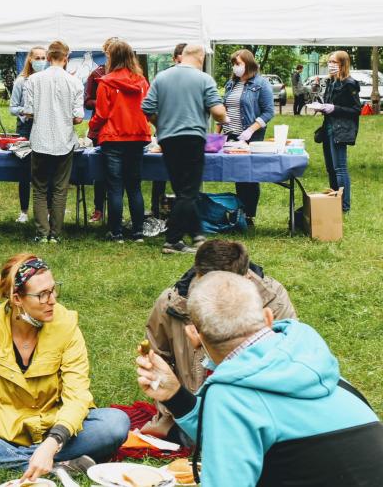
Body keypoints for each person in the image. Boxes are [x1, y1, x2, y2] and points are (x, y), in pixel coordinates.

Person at [137, 271, 383, 486]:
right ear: (267, 318)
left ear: (195, 336)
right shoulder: (319, 368)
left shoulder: (230, 397)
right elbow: (247, 429)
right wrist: (175, 396)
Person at [0, 254, 130, 480]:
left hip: (57, 427)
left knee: (115, 423)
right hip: (5, 429)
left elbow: (78, 397)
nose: (52, 300)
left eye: (53, 290)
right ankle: (57, 467)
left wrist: (53, 442)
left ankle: (22, 460)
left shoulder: (67, 326)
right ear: (17, 299)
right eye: (42, 295)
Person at [141, 239, 297, 443]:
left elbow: (286, 363)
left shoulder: (272, 299)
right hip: (190, 404)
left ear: (246, 276)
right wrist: (173, 403)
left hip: (254, 406)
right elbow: (155, 356)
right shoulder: (172, 303)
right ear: (198, 275)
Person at [141, 44, 228, 254]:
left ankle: (197, 235)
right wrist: (224, 117)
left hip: (168, 139)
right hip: (192, 138)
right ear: (200, 58)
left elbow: (147, 108)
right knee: (188, 191)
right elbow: (217, 111)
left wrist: (161, 125)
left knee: (182, 189)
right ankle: (172, 240)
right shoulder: (204, 79)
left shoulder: (162, 77)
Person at [23, 41, 84, 244]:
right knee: (60, 188)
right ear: (66, 59)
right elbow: (78, 118)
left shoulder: (33, 80)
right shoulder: (75, 82)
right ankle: (55, 234)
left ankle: (42, 233)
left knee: (39, 188)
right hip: (63, 141)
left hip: (40, 139)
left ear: (48, 58)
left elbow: (28, 112)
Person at [89, 40, 150, 242]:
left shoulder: (106, 82)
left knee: (115, 187)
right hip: (137, 137)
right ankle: (138, 232)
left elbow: (101, 113)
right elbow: (148, 109)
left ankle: (116, 232)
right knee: (134, 186)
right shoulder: (141, 82)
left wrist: (92, 129)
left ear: (112, 57)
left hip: (113, 138)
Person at [221, 49, 275, 223]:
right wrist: (218, 133)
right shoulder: (231, 84)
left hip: (250, 136)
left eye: (238, 63)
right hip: (232, 135)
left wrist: (251, 130)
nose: (235, 67)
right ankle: (241, 212)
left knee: (249, 176)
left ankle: (249, 214)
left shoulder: (261, 83)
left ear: (248, 63)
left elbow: (268, 112)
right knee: (238, 175)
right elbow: (224, 108)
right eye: (234, 64)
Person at [308, 50, 360, 213]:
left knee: (340, 168)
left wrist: (334, 108)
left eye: (334, 62)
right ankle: (333, 200)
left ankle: (344, 206)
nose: (330, 65)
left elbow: (355, 109)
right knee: (330, 168)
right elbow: (329, 104)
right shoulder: (331, 82)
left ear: (342, 64)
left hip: (341, 130)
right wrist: (322, 107)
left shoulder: (349, 83)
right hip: (328, 127)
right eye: (329, 62)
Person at [149, 43, 188, 217]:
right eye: (181, 56)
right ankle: (156, 208)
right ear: (175, 58)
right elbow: (151, 106)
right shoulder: (164, 78)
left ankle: (179, 212)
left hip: (186, 134)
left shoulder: (196, 77)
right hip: (166, 132)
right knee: (159, 173)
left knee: (183, 177)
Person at [9, 46, 47, 224]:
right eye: (37, 58)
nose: (40, 61)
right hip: (25, 128)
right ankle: (23, 211)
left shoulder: (47, 80)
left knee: (44, 170)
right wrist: (27, 111)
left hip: (43, 127)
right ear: (30, 60)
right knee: (25, 170)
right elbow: (12, 108)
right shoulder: (21, 81)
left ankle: (45, 210)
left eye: (43, 58)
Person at [84, 38, 118, 224]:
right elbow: (87, 101)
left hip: (121, 128)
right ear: (105, 52)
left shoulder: (129, 74)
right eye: (108, 51)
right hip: (101, 130)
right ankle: (98, 209)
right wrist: (104, 102)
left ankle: (116, 212)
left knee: (118, 175)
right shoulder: (96, 74)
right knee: (101, 172)